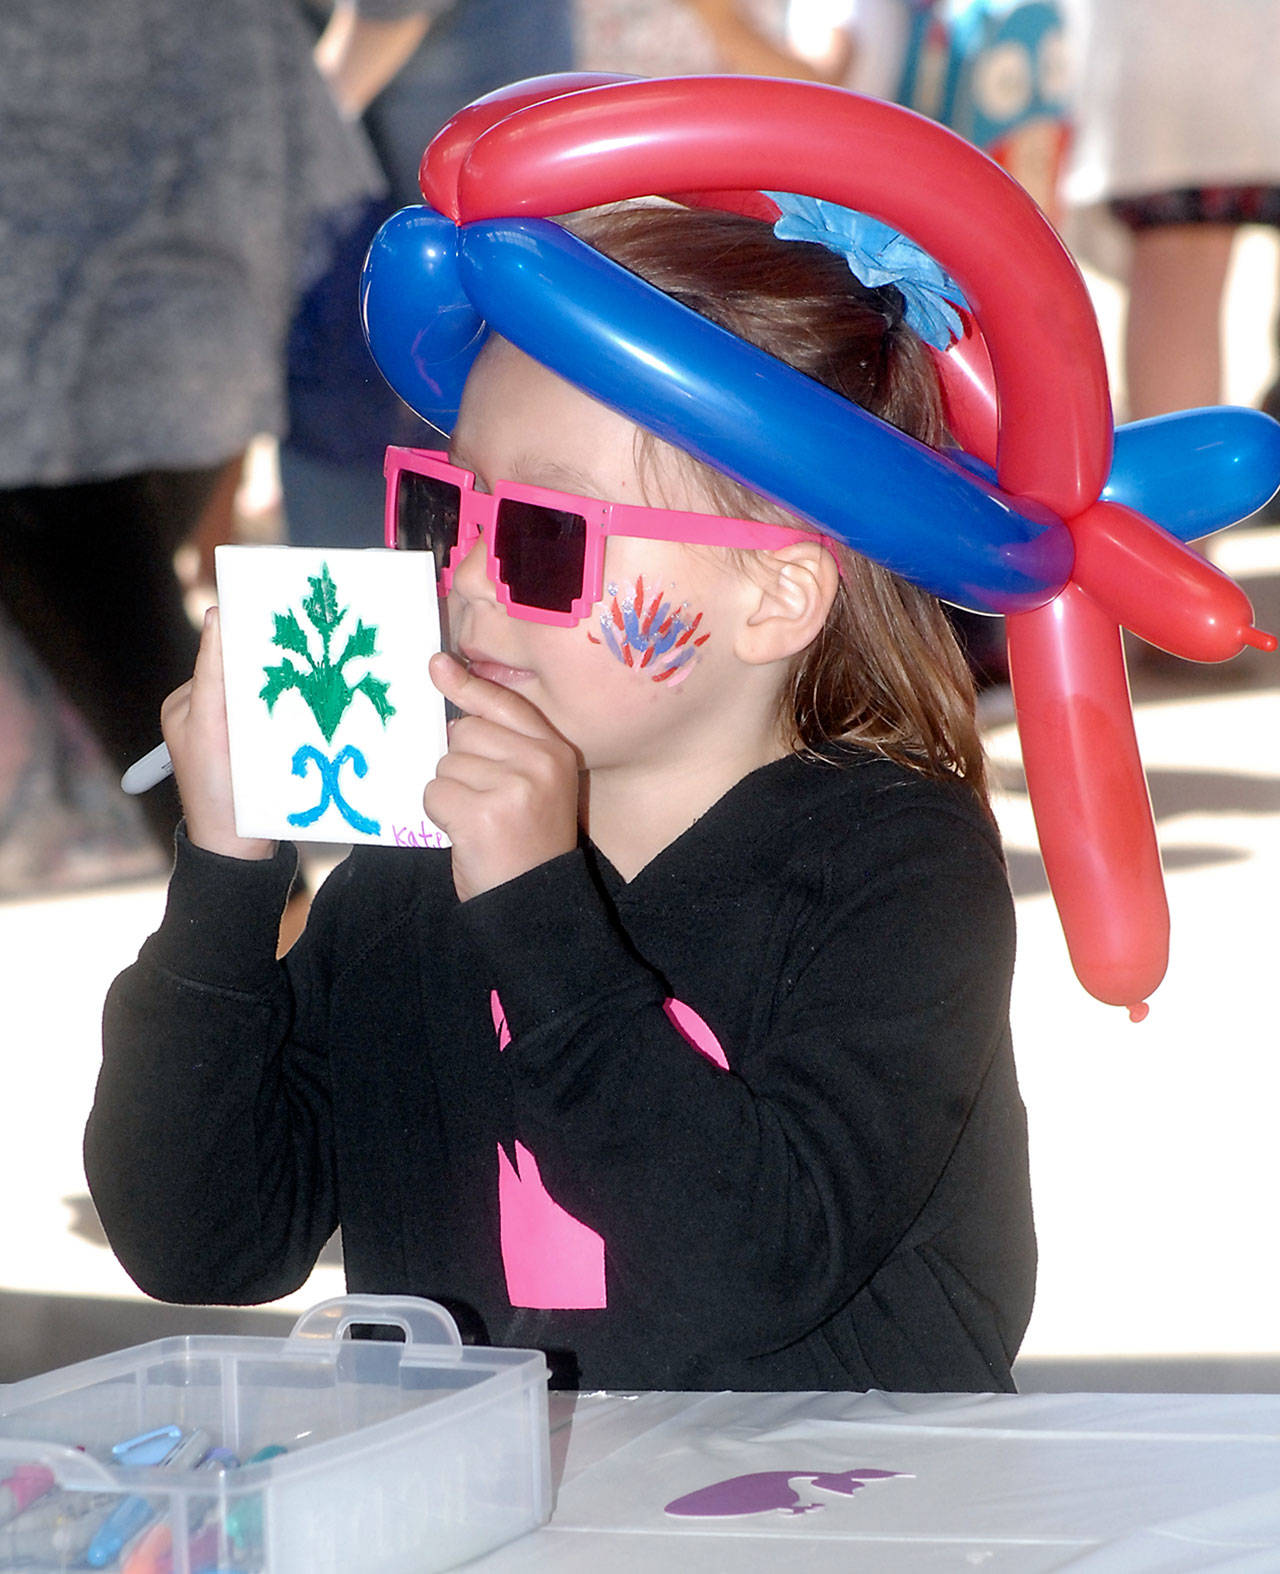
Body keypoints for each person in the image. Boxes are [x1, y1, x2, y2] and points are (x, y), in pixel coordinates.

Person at [85, 193, 1035, 1393]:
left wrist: (537, 907)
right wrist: (223, 881)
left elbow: (746, 1272)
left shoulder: (892, 864)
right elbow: (199, 1236)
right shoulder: (403, 875)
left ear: (775, 599)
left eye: (541, 536)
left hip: (836, 1512)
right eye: (446, 508)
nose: (468, 576)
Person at [0, 0, 405, 859]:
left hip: (52, 352)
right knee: (152, 669)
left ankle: (281, 956)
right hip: (214, 274)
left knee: (156, 694)